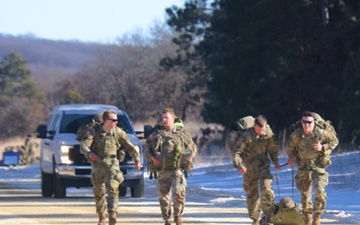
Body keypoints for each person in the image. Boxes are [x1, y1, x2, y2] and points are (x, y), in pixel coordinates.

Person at [80, 110, 141, 225]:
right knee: (99, 191)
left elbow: (130, 147)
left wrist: (137, 161)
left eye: (116, 120)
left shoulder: (118, 132)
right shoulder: (93, 132)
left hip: (112, 163)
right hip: (98, 164)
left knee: (113, 188)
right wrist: (89, 153)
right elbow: (83, 146)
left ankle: (113, 214)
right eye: (113, 120)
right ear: (106, 121)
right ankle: (102, 217)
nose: (116, 122)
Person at [144, 108, 197, 225]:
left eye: (166, 118)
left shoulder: (182, 133)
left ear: (173, 119)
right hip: (162, 170)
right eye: (162, 118)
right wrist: (152, 158)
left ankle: (177, 215)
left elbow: (192, 146)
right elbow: (146, 148)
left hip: (176, 169)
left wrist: (191, 156)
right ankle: (167, 219)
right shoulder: (156, 134)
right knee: (164, 197)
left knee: (179, 192)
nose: (164, 120)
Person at [287, 111, 338, 225]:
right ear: (301, 122)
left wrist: (323, 147)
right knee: (305, 195)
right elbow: (291, 148)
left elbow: (334, 141)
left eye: (309, 122)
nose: (307, 125)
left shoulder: (320, 133)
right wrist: (292, 158)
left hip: (318, 166)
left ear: (314, 122)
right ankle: (308, 219)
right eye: (304, 122)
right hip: (303, 166)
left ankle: (317, 218)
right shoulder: (296, 134)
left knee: (320, 193)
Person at [230, 115, 280, 225]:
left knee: (267, 189)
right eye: (258, 130)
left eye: (263, 130)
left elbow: (272, 149)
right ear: (254, 127)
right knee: (252, 194)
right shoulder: (246, 136)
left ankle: (269, 218)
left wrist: (275, 161)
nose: (261, 133)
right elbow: (237, 152)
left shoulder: (268, 133)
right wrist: (239, 165)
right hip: (249, 168)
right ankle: (255, 219)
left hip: (264, 166)